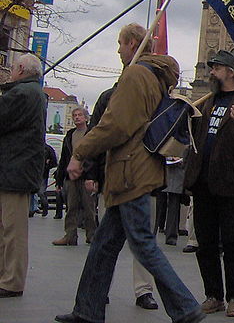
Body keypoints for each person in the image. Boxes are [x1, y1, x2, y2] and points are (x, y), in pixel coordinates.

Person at [55, 23, 204, 323]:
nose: (118, 49)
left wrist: (81, 153)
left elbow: (116, 125)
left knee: (143, 244)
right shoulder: (153, 77)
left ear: (134, 43)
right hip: (134, 169)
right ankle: (87, 309)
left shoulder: (136, 75)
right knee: (103, 246)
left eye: (121, 43)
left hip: (131, 171)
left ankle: (186, 307)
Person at [183, 50, 234, 318]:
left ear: (230, 71)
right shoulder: (208, 102)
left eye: (216, 67)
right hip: (203, 181)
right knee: (205, 243)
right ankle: (213, 295)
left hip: (230, 183)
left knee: (231, 243)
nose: (212, 72)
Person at [82, 82, 160, 311]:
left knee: (145, 241)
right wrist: (91, 172)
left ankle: (144, 290)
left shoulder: (156, 99)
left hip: (143, 179)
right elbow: (95, 134)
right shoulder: (109, 97)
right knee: (105, 241)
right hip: (113, 178)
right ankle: (101, 288)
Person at [0, 53, 47, 298]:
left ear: (20, 69)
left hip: (14, 169)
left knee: (12, 229)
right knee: (7, 228)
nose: (9, 71)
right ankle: (6, 276)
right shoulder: (31, 92)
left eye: (12, 68)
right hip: (15, 168)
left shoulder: (21, 94)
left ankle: (11, 280)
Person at [53, 107, 98, 246]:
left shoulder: (91, 133)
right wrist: (59, 179)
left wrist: (93, 176)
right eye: (74, 115)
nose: (77, 117)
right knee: (71, 207)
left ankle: (92, 235)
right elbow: (64, 158)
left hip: (86, 175)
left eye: (79, 115)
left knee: (89, 208)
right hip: (71, 176)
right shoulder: (70, 135)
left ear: (86, 118)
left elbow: (95, 156)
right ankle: (70, 235)